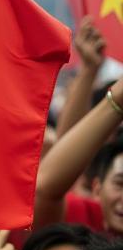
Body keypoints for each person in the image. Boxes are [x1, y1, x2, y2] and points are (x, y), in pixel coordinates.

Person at [33, 71, 123, 234]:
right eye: (120, 184)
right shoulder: (83, 220)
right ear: (97, 189)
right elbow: (45, 189)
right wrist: (116, 101)